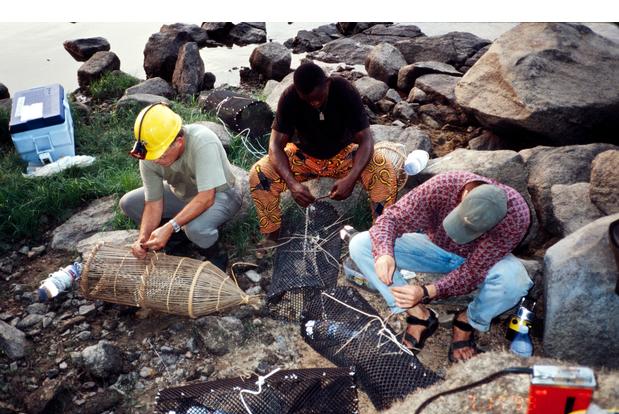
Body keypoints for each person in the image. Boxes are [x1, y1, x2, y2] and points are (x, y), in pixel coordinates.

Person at [349, 171, 533, 362]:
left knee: (515, 282)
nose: (458, 236)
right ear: (465, 193)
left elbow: (473, 271)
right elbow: (391, 219)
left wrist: (427, 291)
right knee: (361, 244)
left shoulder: (516, 215)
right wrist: (384, 253)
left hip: (480, 259)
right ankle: (419, 315)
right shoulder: (443, 185)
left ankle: (466, 321)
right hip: (434, 248)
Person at [249, 61, 398, 244]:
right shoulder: (289, 96)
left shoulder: (344, 90)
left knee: (383, 168)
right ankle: (273, 237)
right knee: (259, 173)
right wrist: (293, 184)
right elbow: (274, 146)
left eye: (318, 97)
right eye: (308, 99)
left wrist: (351, 179)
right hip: (304, 158)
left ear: (327, 83)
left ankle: (382, 235)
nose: (314, 103)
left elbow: (366, 139)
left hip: (344, 155)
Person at [119, 103, 241, 269]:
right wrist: (143, 238)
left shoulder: (203, 141)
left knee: (195, 228)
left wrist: (170, 226)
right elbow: (153, 203)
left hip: (221, 194)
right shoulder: (149, 152)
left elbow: (206, 197)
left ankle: (216, 257)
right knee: (129, 203)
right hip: (183, 194)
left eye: (160, 155)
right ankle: (178, 241)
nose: (154, 160)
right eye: (151, 154)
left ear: (179, 141)